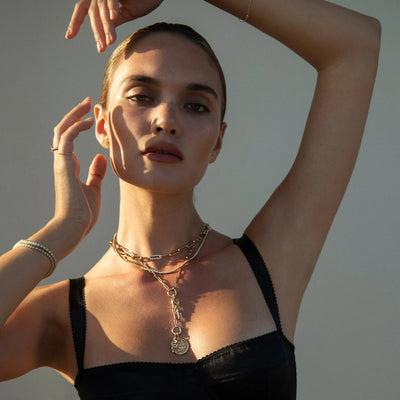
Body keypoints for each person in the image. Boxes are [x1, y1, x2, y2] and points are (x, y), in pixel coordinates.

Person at [0, 0, 380, 399]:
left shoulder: (270, 263)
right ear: (102, 126)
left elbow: (356, 45)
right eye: (141, 96)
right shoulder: (65, 314)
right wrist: (61, 230)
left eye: (195, 105)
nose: (166, 120)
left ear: (217, 141)